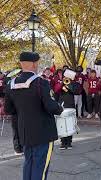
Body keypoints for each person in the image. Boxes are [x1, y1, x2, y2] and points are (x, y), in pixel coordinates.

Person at [4, 52, 63, 180]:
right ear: (34, 64)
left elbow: (8, 109)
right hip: (42, 132)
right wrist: (60, 108)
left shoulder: (11, 84)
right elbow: (51, 106)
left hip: (24, 131)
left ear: (21, 64)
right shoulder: (41, 83)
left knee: (28, 164)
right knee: (40, 167)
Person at [58, 70, 80, 150]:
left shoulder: (74, 84)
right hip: (62, 105)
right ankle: (63, 142)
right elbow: (56, 90)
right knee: (62, 125)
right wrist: (62, 83)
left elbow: (76, 91)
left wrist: (69, 85)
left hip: (70, 105)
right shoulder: (61, 83)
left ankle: (69, 142)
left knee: (70, 124)